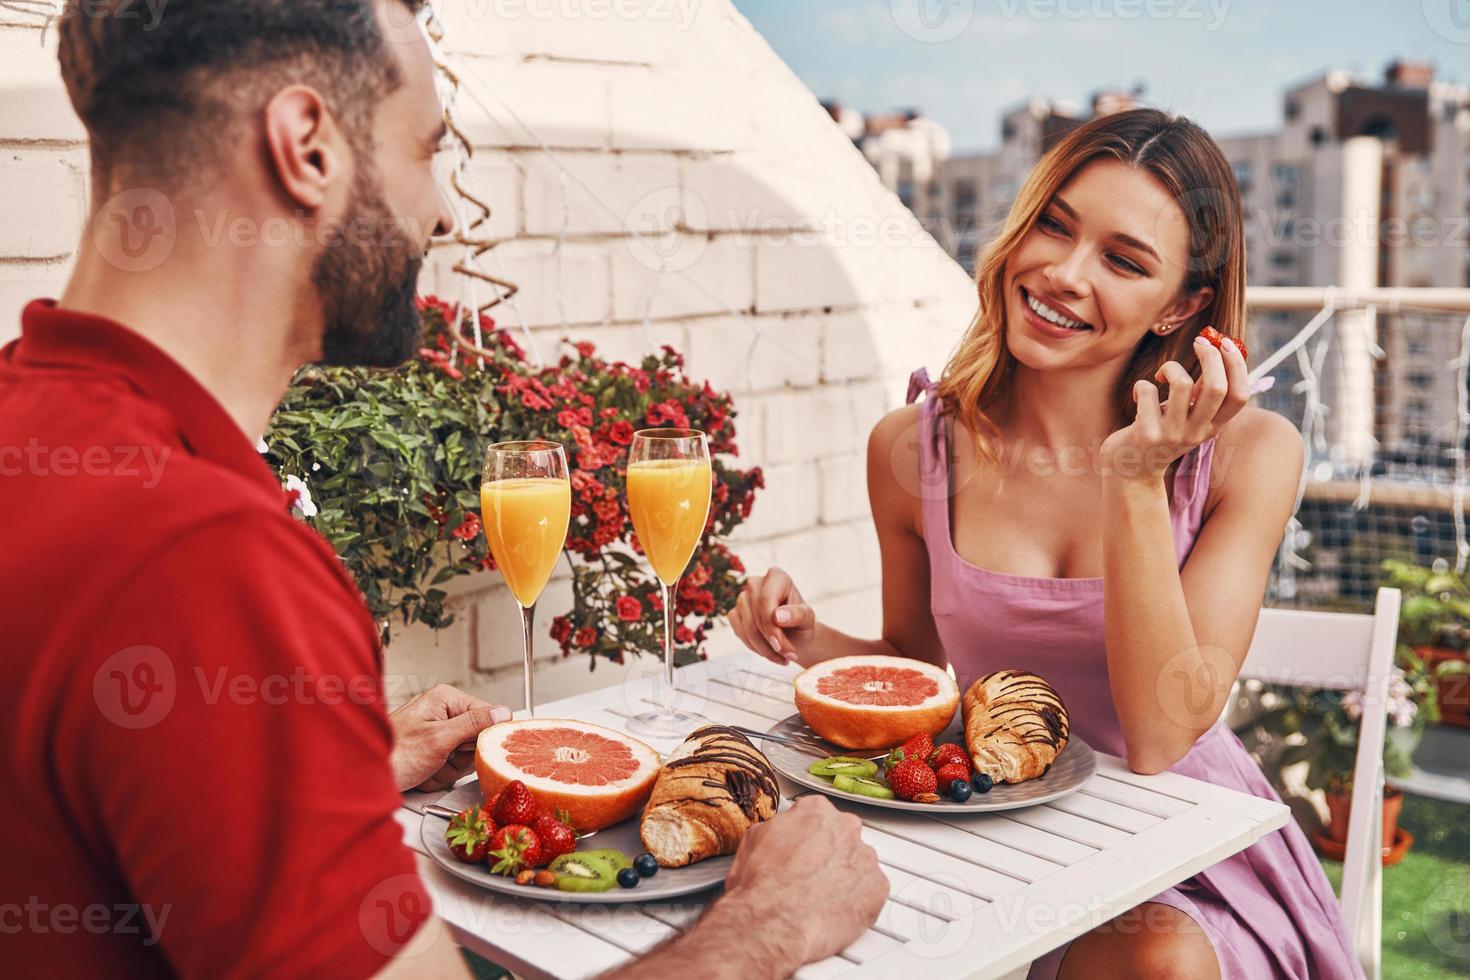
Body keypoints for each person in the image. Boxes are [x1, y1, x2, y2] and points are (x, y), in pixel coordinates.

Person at [0, 1, 886, 977]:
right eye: (427, 150)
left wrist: (321, 768)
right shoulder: (209, 556)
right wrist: (769, 922)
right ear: (308, 148)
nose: (445, 213)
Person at [732, 108, 1362, 980]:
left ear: (1181, 305)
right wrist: (808, 642)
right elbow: (918, 669)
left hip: (1182, 857)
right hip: (1000, 838)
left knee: (1155, 961)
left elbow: (1159, 738)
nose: (1062, 273)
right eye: (1053, 226)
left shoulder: (1250, 456)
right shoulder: (909, 451)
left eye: (1123, 260)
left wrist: (1136, 479)